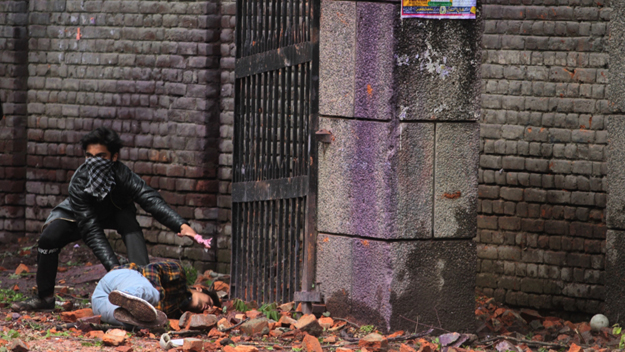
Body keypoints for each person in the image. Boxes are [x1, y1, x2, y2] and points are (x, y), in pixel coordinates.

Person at [12, 127, 201, 311]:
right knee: (48, 238)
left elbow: (148, 198)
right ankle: (44, 298)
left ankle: (145, 289)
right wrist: (114, 268)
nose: (94, 162)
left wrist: (181, 224)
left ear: (114, 157)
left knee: (130, 226)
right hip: (80, 216)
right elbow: (91, 228)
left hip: (116, 210)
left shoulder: (123, 174)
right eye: (89, 157)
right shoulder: (79, 181)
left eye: (101, 156)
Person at [91, 260, 220, 328]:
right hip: (117, 280)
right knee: (153, 294)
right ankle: (127, 296)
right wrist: (159, 293)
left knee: (132, 320)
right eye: (209, 302)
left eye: (209, 309)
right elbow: (151, 268)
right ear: (199, 288)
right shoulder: (179, 275)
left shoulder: (175, 314)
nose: (208, 308)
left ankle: (126, 306)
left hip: (99, 304)